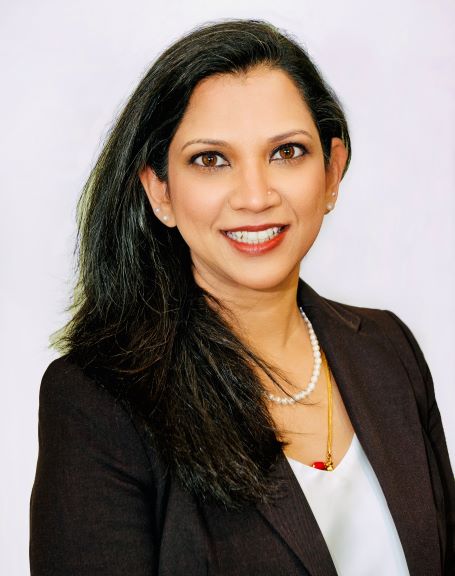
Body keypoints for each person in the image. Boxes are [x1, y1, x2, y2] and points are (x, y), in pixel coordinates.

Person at [29, 18, 455, 576]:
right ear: (160, 192)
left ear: (332, 172)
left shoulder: (388, 349)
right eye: (211, 160)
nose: (255, 197)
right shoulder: (99, 400)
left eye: (287, 152)